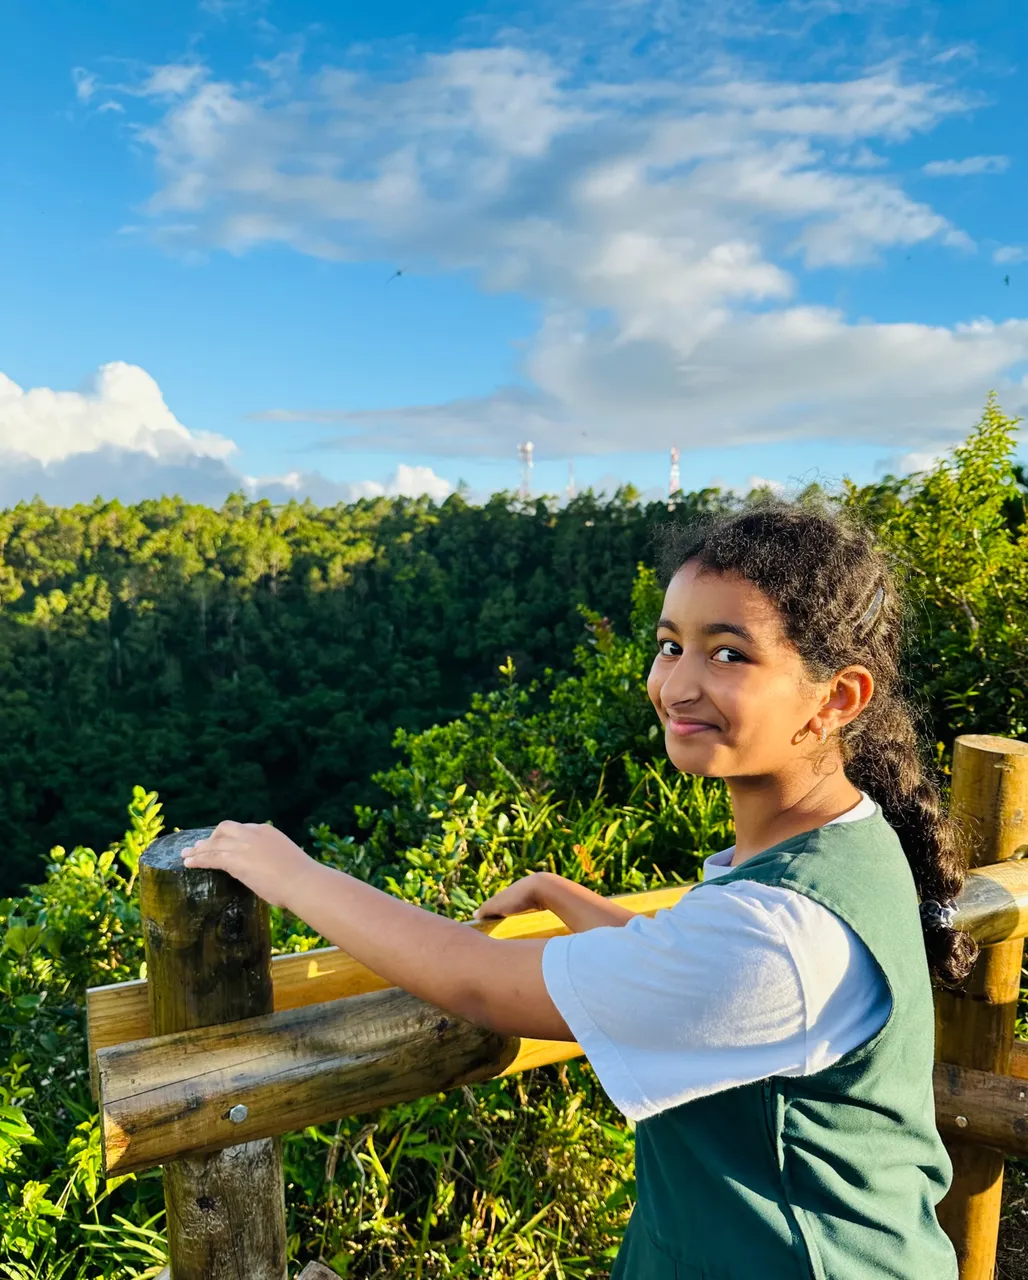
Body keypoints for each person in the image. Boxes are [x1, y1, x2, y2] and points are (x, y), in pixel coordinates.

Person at [181, 503, 973, 1280]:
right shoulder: (850, 843)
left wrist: (291, 873)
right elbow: (694, 969)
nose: (678, 684)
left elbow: (481, 985)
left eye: (728, 655)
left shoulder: (779, 935)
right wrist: (569, 897)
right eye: (670, 646)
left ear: (836, 699)